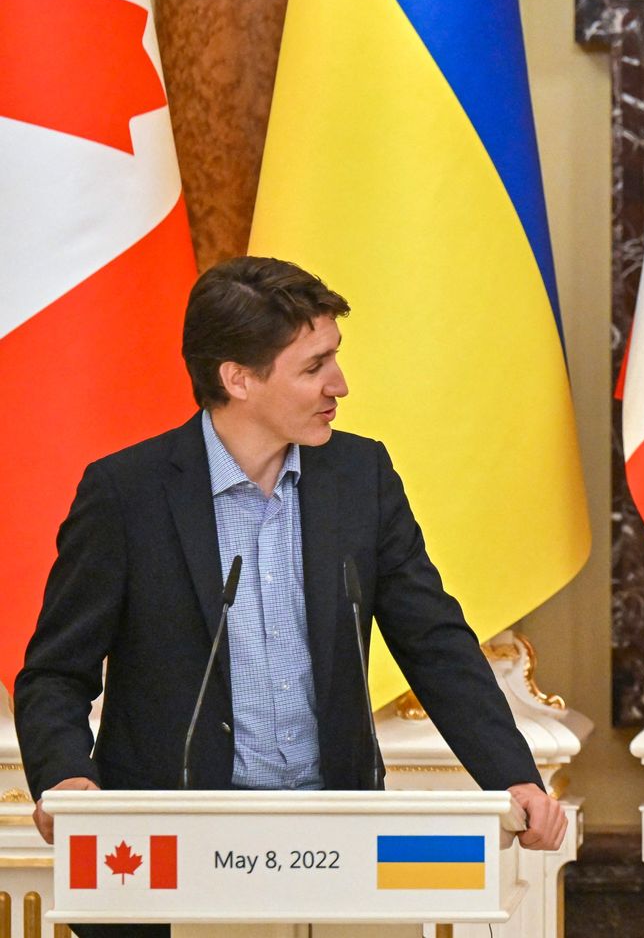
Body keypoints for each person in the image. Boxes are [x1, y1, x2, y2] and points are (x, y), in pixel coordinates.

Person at [15, 257, 566, 932]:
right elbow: (53, 674)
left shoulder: (361, 475)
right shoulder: (126, 494)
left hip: (339, 846)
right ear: (237, 378)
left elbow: (434, 642)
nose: (340, 384)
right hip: (165, 856)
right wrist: (69, 782)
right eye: (313, 367)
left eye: (333, 358)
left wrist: (510, 774)